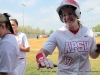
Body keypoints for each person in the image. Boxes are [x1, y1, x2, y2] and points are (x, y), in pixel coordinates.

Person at [36, 0, 100, 75]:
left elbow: (93, 55)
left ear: (77, 13)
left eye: (70, 13)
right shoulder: (57, 34)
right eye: (63, 15)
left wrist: (98, 50)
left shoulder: (88, 32)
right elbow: (41, 53)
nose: (67, 17)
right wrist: (41, 58)